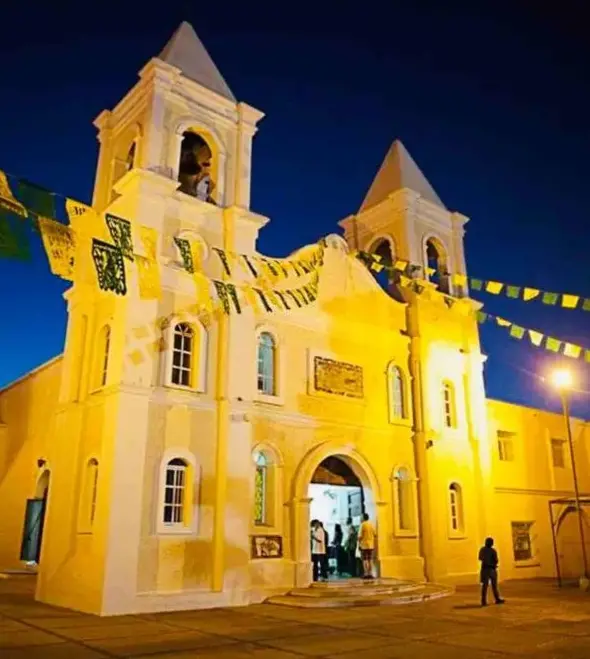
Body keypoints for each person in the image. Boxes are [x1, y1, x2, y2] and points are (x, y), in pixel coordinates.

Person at [478, 537, 505, 606]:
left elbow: (481, 558)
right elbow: (495, 560)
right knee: (490, 585)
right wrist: (492, 563)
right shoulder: (491, 550)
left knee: (488, 585)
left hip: (487, 569)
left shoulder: (484, 550)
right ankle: (490, 600)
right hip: (489, 569)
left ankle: (486, 600)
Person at [358, 513, 377, 579]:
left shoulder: (362, 525)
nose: (360, 518)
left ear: (363, 518)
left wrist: (359, 543)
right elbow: (375, 534)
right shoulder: (371, 524)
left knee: (365, 559)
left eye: (361, 517)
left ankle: (366, 573)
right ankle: (370, 573)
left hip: (364, 545)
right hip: (371, 545)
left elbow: (360, 536)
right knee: (370, 559)